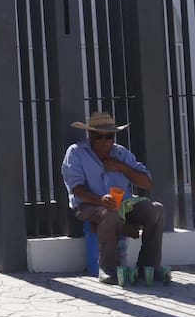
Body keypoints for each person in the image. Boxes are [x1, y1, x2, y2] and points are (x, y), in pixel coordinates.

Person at [61, 111, 165, 283]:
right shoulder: (76, 152)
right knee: (109, 212)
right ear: (90, 135)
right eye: (98, 137)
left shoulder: (122, 154)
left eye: (108, 136)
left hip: (124, 203)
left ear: (113, 137)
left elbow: (146, 182)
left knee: (156, 210)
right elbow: (76, 189)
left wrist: (121, 167)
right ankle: (108, 268)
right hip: (90, 205)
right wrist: (100, 200)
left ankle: (149, 266)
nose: (104, 142)